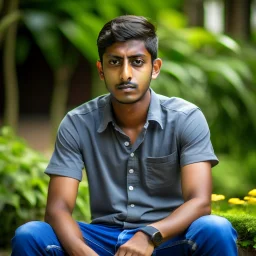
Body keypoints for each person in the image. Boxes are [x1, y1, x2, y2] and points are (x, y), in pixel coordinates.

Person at [11, 15, 238, 256]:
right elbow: (57, 208)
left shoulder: (186, 118)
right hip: (101, 241)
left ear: (155, 68)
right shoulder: (77, 123)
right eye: (115, 62)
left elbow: (200, 202)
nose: (125, 74)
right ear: (101, 70)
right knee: (31, 235)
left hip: (166, 241)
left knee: (216, 228)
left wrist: (149, 235)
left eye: (137, 62)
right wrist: (83, 253)